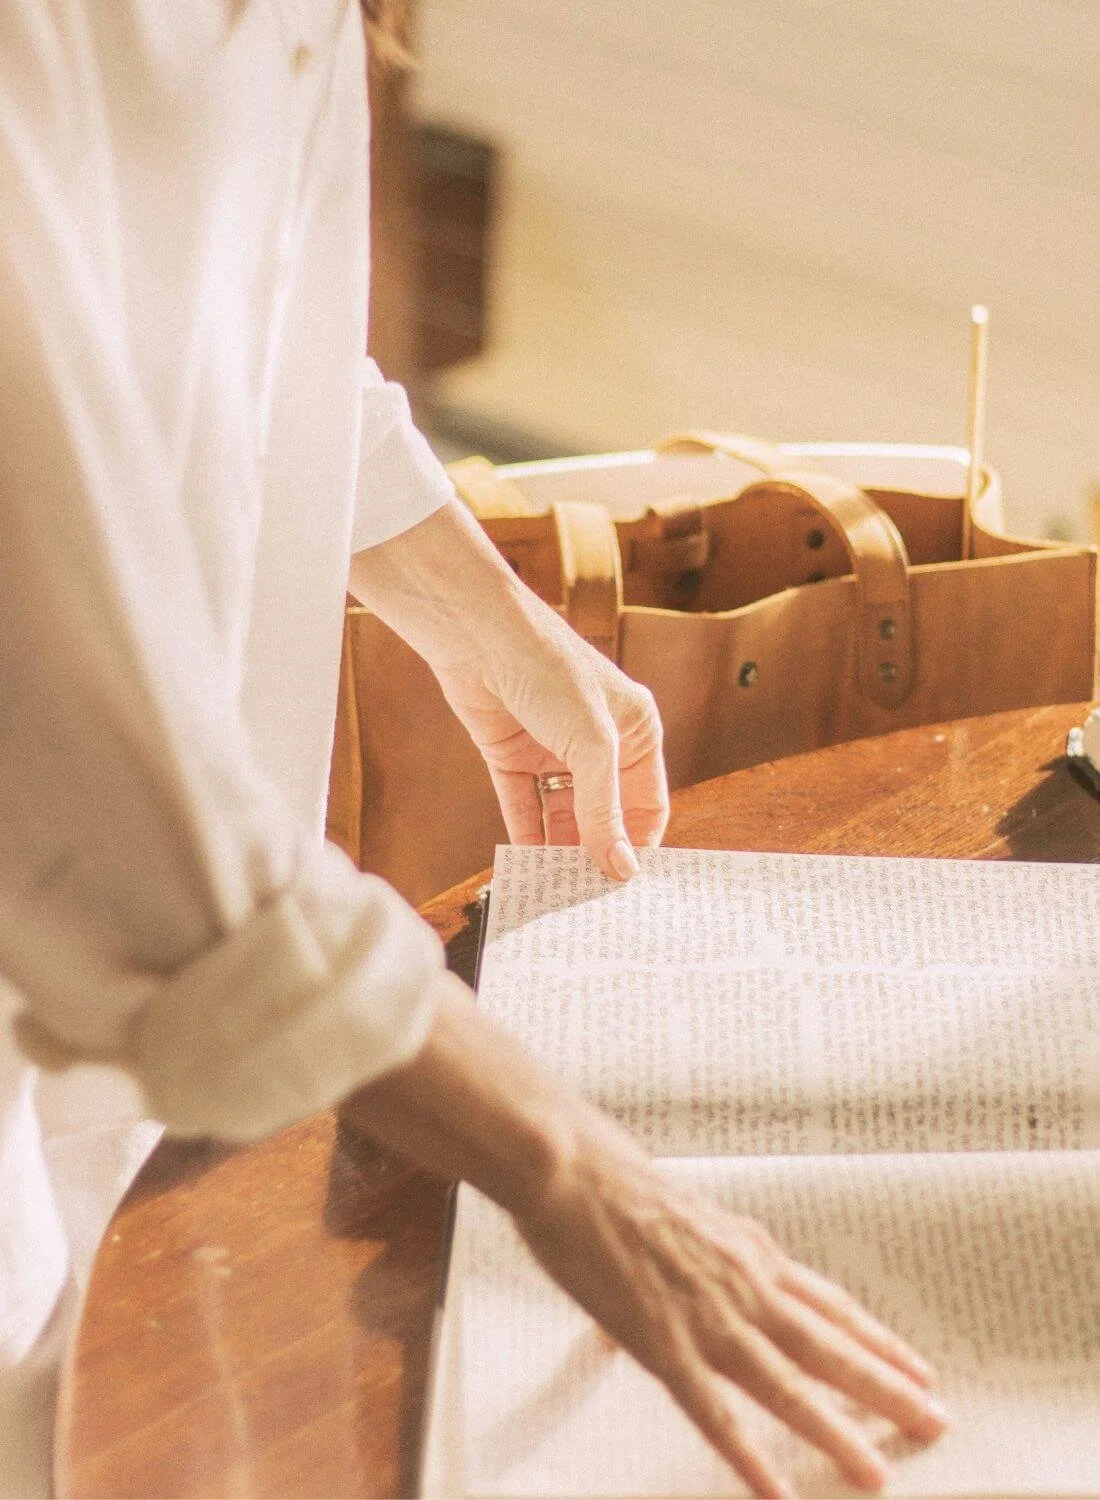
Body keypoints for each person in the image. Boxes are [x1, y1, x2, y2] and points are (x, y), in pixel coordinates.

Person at [0, 4, 947, 1496]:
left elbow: (203, 306)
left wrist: (478, 609)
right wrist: (568, 1168)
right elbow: (64, 757)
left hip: (143, 1039)